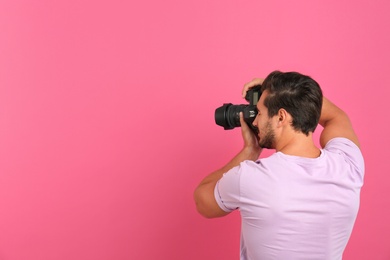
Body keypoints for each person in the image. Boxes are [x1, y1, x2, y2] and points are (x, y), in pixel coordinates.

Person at [194, 71, 364, 260]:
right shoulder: (348, 164)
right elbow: (337, 116)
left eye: (259, 113)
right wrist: (287, 92)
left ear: (281, 117)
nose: (255, 121)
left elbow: (203, 202)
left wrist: (249, 151)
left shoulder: (251, 177)